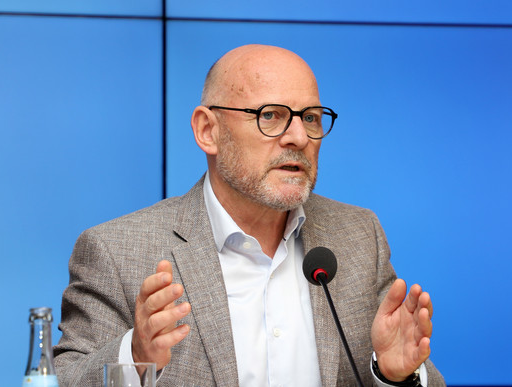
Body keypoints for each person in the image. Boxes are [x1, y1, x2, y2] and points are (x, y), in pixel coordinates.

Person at [54, 44, 445, 386]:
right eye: (271, 115)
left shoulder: (358, 236)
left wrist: (395, 377)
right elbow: (68, 380)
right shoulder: (116, 251)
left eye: (310, 117)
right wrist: (135, 358)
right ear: (208, 130)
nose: (298, 137)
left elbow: (406, 367)